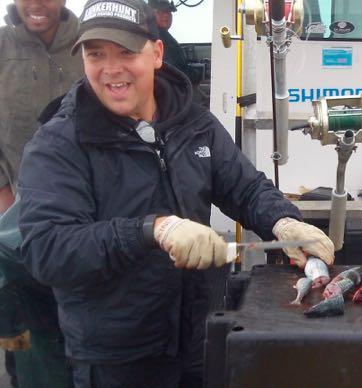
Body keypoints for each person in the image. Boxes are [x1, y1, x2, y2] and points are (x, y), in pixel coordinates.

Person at [17, 0, 334, 386]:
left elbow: (244, 187)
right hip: (117, 359)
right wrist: (152, 230)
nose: (111, 69)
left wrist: (282, 220)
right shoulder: (58, 142)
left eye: (126, 52)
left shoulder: (192, 121)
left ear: (157, 53)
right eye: (95, 53)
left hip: (197, 339)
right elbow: (46, 249)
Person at [0, 0, 83, 386]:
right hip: (15, 221)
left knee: (84, 336)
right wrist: (5, 200)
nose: (36, 3)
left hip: (84, 222)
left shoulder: (90, 45)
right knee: (29, 352)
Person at [149, 0, 200, 84]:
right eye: (160, 12)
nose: (165, 15)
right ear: (150, 14)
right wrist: (198, 74)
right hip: (170, 88)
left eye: (168, 12)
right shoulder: (159, 38)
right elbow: (176, 72)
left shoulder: (160, 34)